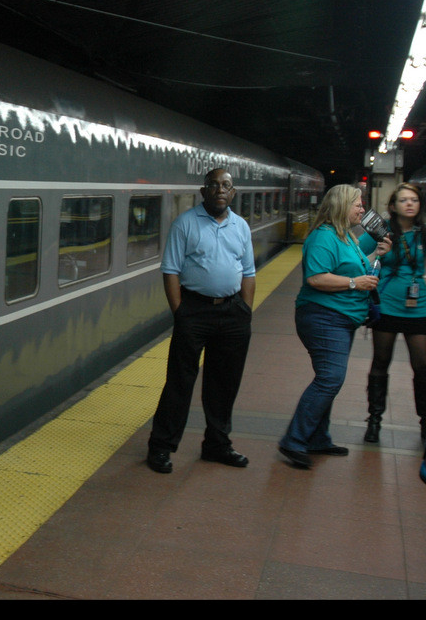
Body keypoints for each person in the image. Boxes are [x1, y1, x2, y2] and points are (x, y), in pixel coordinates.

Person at [146, 168, 256, 474]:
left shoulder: (241, 227)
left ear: (233, 193)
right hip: (194, 310)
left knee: (224, 382)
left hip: (233, 312)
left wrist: (245, 311)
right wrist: (180, 312)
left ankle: (217, 445)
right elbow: (170, 270)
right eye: (214, 185)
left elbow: (248, 271)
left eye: (226, 185)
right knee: (180, 381)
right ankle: (161, 446)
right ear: (203, 190)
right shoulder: (185, 224)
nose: (220, 190)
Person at [278, 184, 392, 468]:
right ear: (341, 205)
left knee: (328, 379)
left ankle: (317, 438)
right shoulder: (323, 237)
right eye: (357, 204)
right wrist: (355, 283)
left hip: (343, 318)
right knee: (330, 379)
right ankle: (294, 441)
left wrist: (377, 254)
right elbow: (316, 278)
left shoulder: (346, 237)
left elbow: (358, 269)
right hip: (323, 317)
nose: (362, 210)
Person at [357, 182, 426, 445]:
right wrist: (377, 252)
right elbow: (355, 255)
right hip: (386, 305)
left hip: (420, 307)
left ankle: (424, 422)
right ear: (393, 206)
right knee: (380, 363)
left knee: (422, 366)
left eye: (414, 200)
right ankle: (374, 420)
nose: (409, 204)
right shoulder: (381, 231)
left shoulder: (424, 232)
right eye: (404, 200)